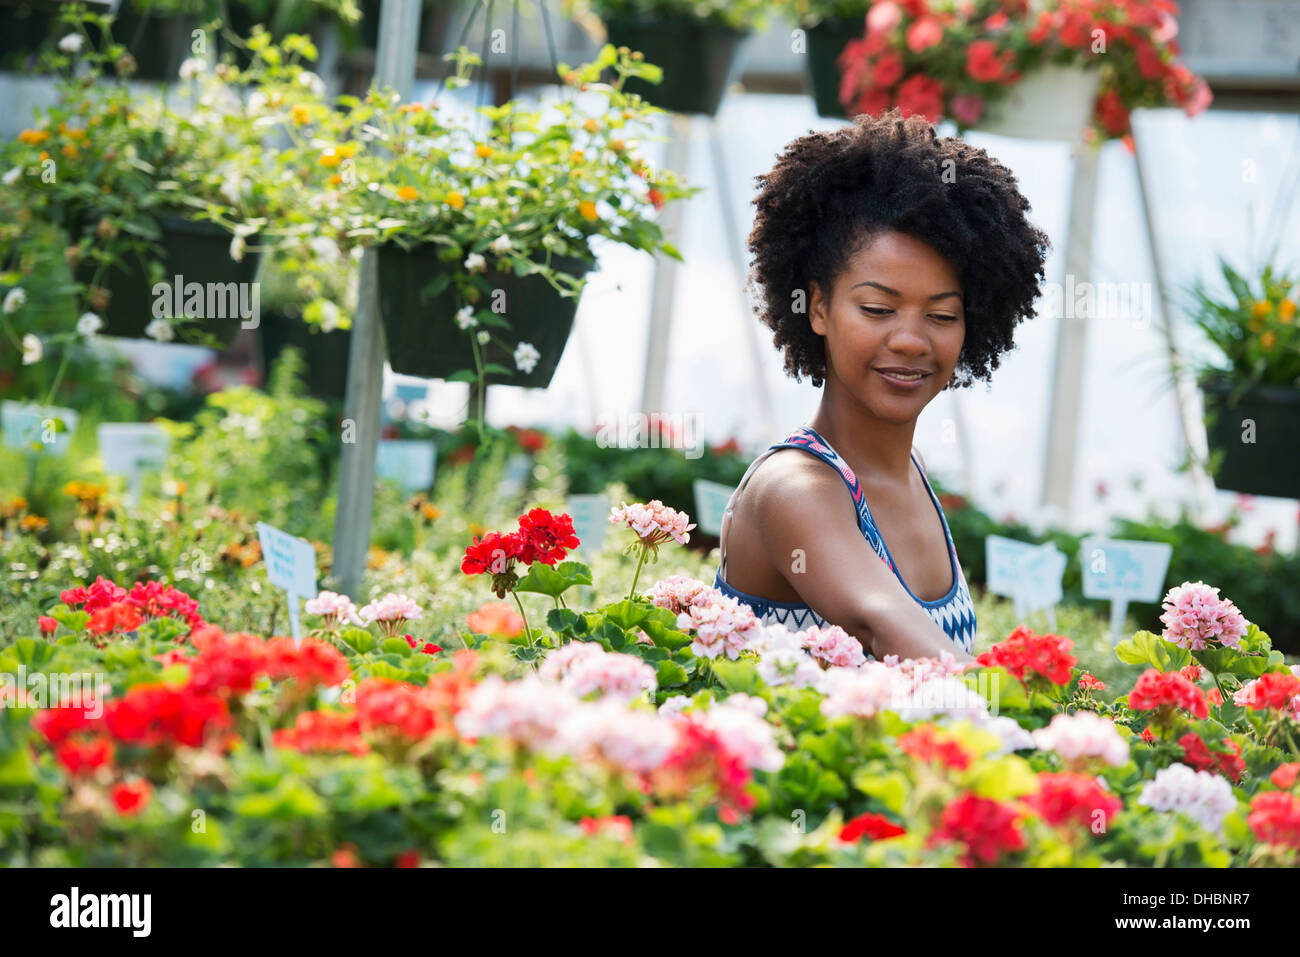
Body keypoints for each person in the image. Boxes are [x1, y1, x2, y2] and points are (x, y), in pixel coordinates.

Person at [714, 109, 1050, 664]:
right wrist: (1032, 728)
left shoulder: (912, 474)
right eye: (878, 309)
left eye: (942, 316)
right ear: (818, 308)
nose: (912, 341)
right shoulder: (794, 487)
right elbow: (884, 622)